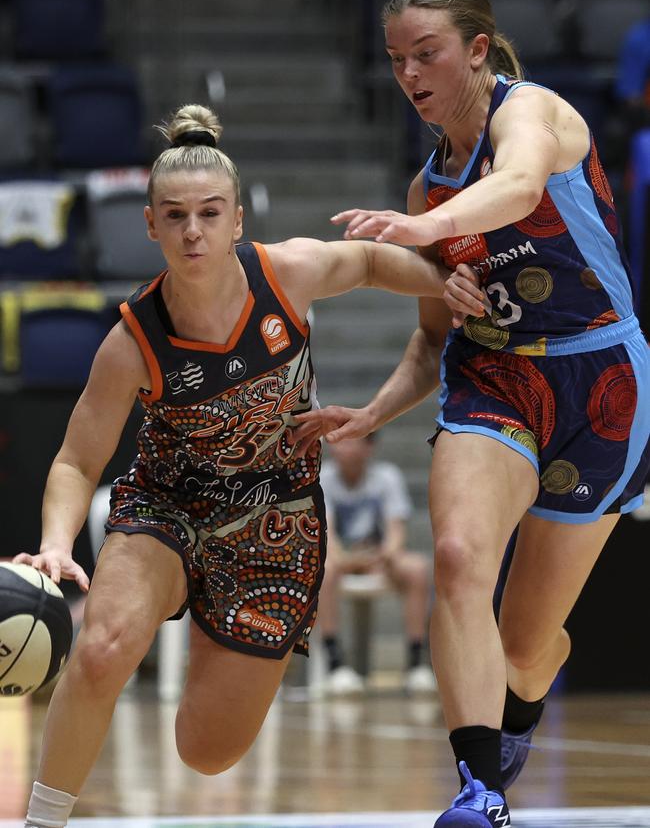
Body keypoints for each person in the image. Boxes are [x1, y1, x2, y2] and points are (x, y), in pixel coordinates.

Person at [12, 104, 486, 828]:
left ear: (238, 219)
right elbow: (78, 459)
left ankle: (211, 616)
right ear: (150, 225)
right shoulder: (132, 340)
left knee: (207, 751)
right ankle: (42, 822)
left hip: (277, 518)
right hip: (168, 504)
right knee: (103, 648)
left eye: (209, 213)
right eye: (174, 216)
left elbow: (361, 260)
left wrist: (437, 282)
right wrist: (53, 542)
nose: (192, 230)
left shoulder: (287, 272)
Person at [292, 0, 650, 828]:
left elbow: (522, 187)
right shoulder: (427, 191)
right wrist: (371, 415)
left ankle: (512, 713)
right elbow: (427, 340)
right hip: (493, 379)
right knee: (455, 555)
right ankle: (479, 791)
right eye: (396, 60)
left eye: (428, 53)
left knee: (528, 647)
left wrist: (420, 234)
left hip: (601, 380)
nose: (409, 74)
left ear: (478, 51)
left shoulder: (534, 113)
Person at [318, 434, 436, 695]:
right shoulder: (323, 477)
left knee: (417, 568)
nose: (342, 447)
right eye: (338, 441)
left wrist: (383, 555)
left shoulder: (386, 477)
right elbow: (328, 536)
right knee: (322, 571)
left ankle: (417, 665)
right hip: (341, 559)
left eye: (350, 441)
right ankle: (335, 663)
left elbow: (396, 534)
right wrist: (348, 558)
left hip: (379, 559)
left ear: (369, 447)